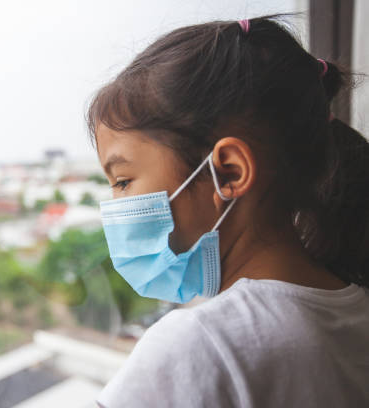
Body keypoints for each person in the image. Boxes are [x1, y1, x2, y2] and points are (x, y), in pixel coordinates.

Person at [86, 13, 369, 407]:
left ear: (228, 172)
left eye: (123, 181)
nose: (116, 205)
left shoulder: (200, 345)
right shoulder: (356, 308)